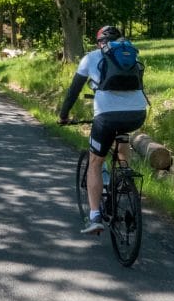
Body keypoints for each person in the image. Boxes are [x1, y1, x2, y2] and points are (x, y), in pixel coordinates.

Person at [58, 25, 148, 234]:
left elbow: (74, 91)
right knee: (122, 137)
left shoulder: (91, 58)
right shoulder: (130, 56)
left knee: (95, 162)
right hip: (137, 113)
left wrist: (63, 115)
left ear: (99, 42)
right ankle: (124, 179)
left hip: (107, 116)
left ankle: (95, 216)